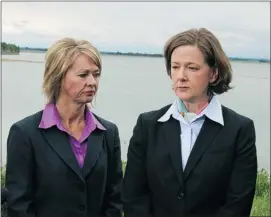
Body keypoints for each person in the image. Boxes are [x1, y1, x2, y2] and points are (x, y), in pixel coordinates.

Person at [122, 28, 258, 217]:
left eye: (192, 68)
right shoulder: (147, 125)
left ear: (214, 74)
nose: (181, 76)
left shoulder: (239, 130)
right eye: (175, 66)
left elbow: (237, 205)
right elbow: (133, 197)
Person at [5, 38, 123, 217]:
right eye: (83, 75)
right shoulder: (24, 134)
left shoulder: (108, 132)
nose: (92, 82)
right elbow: (19, 205)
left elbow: (114, 199)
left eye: (96, 74)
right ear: (58, 76)